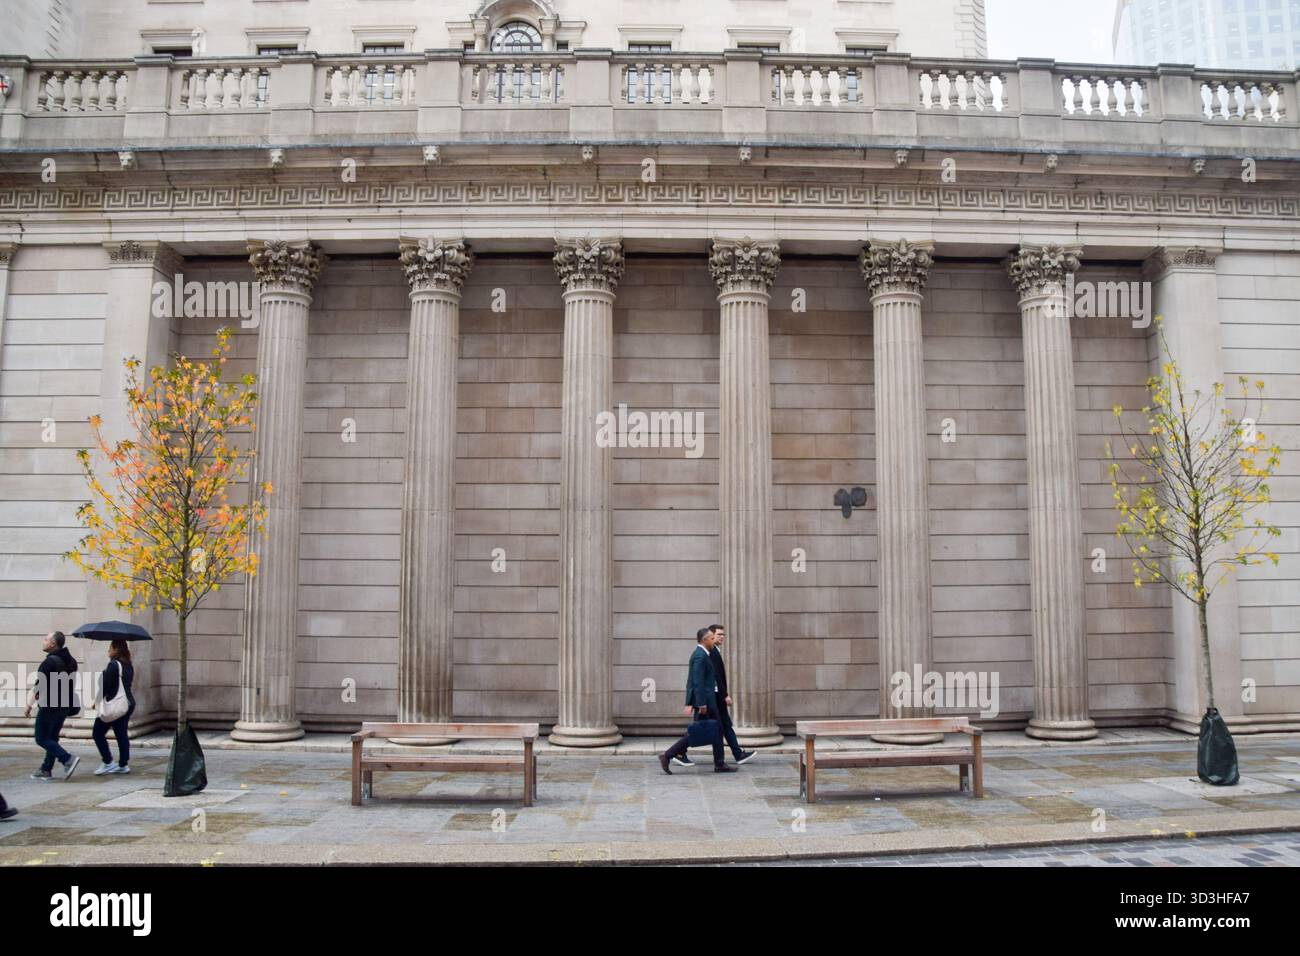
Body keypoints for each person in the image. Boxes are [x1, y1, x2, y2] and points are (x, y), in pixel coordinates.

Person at [659, 628, 736, 774]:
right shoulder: (700, 656)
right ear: (704, 640)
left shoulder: (703, 655)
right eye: (712, 639)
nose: (714, 641)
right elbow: (697, 682)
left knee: (714, 730)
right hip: (706, 702)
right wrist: (701, 703)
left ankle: (719, 763)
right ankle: (668, 755)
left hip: (708, 700)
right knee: (702, 731)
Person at [24, 631, 81, 780]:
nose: (43, 641)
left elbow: (39, 687)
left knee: (41, 738)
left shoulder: (48, 663)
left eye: (45, 639)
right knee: (52, 738)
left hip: (50, 706)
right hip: (65, 705)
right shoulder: (72, 661)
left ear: (53, 644)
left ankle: (67, 759)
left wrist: (29, 705)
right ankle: (46, 769)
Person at [706, 624, 756, 765]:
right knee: (704, 726)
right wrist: (725, 695)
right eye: (719, 634)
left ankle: (738, 753)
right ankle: (677, 751)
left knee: (726, 725)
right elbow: (716, 677)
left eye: (723, 635)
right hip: (715, 697)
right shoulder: (713, 652)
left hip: (716, 697)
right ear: (711, 636)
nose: (722, 637)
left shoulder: (715, 651)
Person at [92, 639, 135, 775]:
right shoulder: (128, 665)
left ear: (116, 649)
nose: (108, 651)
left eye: (110, 648)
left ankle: (108, 762)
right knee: (121, 734)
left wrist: (96, 701)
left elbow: (105, 686)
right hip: (127, 703)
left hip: (114, 705)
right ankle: (123, 764)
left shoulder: (113, 665)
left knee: (97, 733)